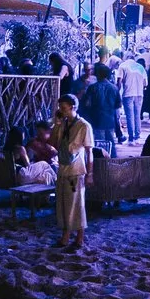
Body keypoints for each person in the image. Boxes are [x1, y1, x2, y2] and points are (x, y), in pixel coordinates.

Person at [50, 93, 94, 251]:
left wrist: (90, 174)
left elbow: (90, 152)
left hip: (76, 171)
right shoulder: (64, 124)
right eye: (60, 108)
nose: (61, 111)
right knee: (63, 205)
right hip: (62, 169)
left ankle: (79, 237)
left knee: (76, 204)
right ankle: (66, 236)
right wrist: (57, 123)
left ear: (73, 108)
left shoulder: (83, 126)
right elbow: (54, 144)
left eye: (64, 108)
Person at [81, 59, 124, 158]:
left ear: (98, 75)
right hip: (110, 120)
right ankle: (112, 162)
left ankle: (101, 164)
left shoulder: (93, 88)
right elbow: (118, 105)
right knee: (111, 143)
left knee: (99, 144)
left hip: (96, 119)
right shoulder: (114, 88)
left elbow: (87, 104)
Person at [116, 51, 146, 142]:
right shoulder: (140, 67)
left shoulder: (123, 66)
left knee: (130, 115)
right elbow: (145, 83)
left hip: (128, 93)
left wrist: (117, 92)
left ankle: (131, 136)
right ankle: (137, 134)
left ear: (126, 58)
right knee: (137, 115)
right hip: (139, 93)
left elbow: (119, 81)